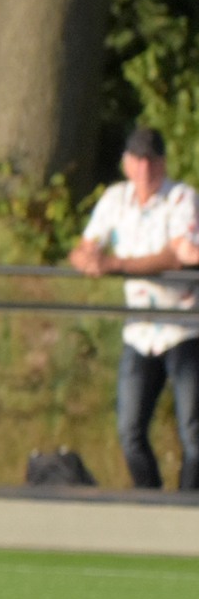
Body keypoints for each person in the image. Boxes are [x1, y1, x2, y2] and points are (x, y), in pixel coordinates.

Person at [68, 126, 199, 491]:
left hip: (184, 327)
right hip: (140, 330)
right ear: (126, 163)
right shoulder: (115, 199)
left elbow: (175, 255)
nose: (145, 169)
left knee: (194, 433)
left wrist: (117, 264)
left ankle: (188, 509)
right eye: (138, 160)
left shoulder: (181, 198)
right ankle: (151, 503)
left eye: (152, 161)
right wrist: (89, 259)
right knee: (129, 430)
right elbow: (83, 246)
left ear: (163, 163)